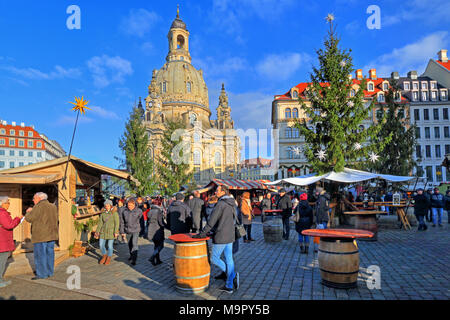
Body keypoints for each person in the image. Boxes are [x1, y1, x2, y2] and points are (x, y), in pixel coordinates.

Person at [193, 185, 239, 294]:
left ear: (223, 192)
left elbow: (211, 221)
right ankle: (229, 286)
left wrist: (202, 233)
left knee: (214, 258)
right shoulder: (232, 202)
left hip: (222, 235)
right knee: (229, 259)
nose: (215, 192)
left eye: (217, 190)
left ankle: (232, 276)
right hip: (230, 234)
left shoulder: (221, 204)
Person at [25, 192, 59, 280]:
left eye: (34, 198)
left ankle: (41, 274)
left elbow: (29, 219)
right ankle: (49, 272)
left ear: (39, 198)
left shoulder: (37, 207)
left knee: (40, 255)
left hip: (40, 235)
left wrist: (28, 212)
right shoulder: (53, 206)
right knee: (50, 254)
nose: (33, 200)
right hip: (51, 234)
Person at [0, 196, 21, 288]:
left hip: (2, 240)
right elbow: (9, 225)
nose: (9, 204)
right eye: (8, 202)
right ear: (2, 203)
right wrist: (18, 219)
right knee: (1, 261)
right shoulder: (2, 213)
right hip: (2, 241)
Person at [95, 200, 120, 265]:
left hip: (111, 232)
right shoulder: (103, 213)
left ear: (111, 206)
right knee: (101, 245)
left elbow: (117, 223)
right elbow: (100, 223)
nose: (107, 207)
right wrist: (97, 231)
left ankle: (108, 257)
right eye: (106, 205)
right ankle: (104, 255)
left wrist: (116, 231)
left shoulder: (114, 213)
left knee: (110, 246)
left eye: (108, 205)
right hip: (103, 232)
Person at [119, 198, 143, 266]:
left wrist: (142, 230)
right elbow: (122, 222)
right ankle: (131, 255)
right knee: (130, 244)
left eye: (131, 205)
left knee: (134, 244)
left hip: (136, 230)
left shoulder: (139, 211)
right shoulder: (125, 212)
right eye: (128, 205)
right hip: (128, 230)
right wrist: (122, 232)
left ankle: (134, 259)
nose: (130, 207)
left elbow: (141, 221)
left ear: (134, 205)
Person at [147, 200, 167, 266]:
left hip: (151, 229)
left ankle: (157, 260)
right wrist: (166, 226)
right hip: (157, 230)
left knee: (156, 245)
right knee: (161, 245)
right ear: (159, 204)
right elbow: (160, 222)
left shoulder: (150, 211)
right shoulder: (158, 211)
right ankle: (153, 257)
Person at [314, 187, 330, 252]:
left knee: (321, 235)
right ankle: (324, 248)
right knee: (324, 234)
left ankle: (322, 248)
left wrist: (318, 221)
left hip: (322, 218)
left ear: (318, 192)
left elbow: (320, 210)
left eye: (316, 192)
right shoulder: (324, 198)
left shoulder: (321, 199)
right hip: (324, 217)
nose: (315, 193)